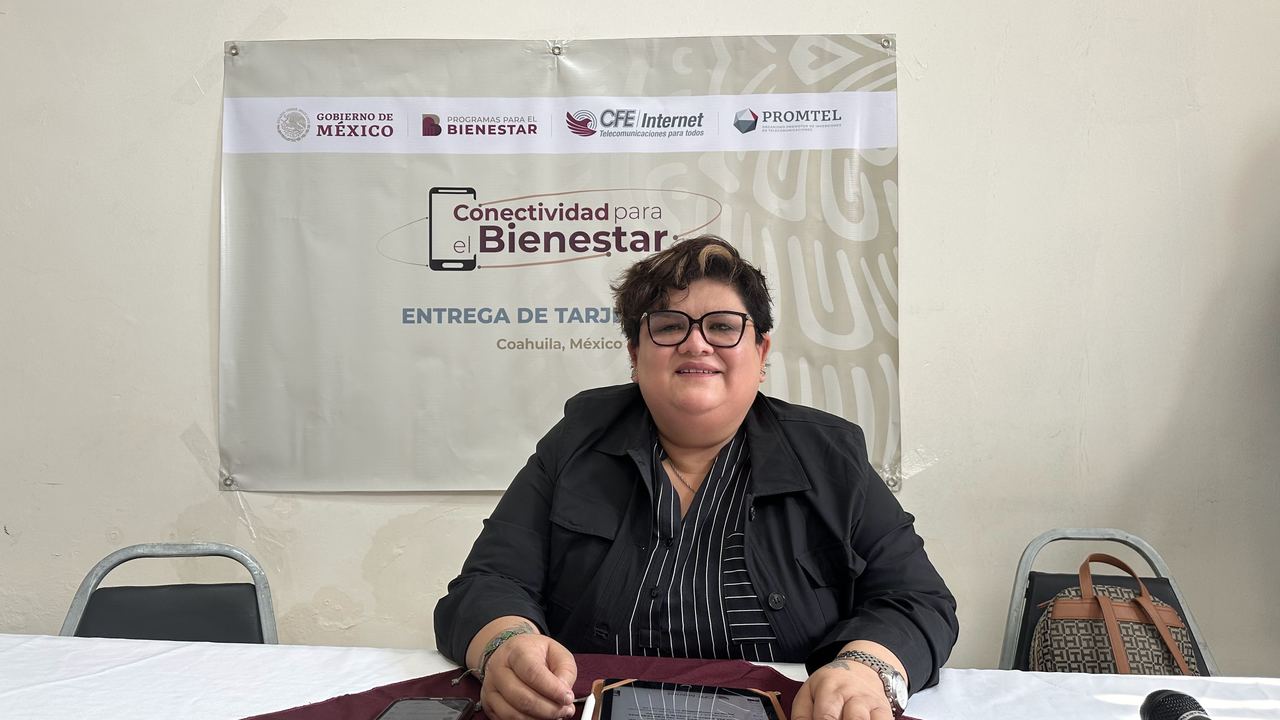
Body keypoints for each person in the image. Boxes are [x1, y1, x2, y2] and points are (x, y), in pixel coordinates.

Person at [435, 236, 958, 720]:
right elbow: (488, 582)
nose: (696, 344)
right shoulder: (576, 442)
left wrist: (865, 669)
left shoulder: (831, 456)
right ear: (635, 355)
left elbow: (917, 600)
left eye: (723, 327)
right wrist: (505, 644)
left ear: (761, 353)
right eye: (668, 327)